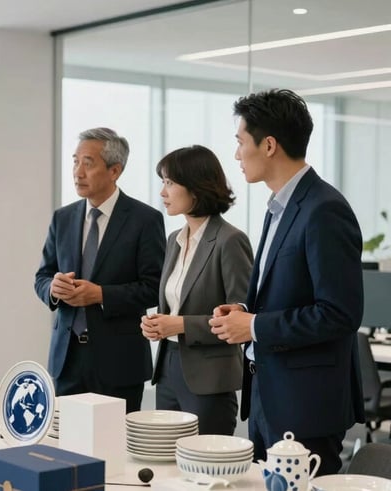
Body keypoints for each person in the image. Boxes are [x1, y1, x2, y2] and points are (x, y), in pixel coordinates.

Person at [209, 89, 364, 475]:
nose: (236, 154)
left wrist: (256, 326)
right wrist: (245, 313)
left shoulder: (324, 209)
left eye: (241, 142)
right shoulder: (279, 207)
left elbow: (340, 314)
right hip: (269, 395)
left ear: (270, 145)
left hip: (306, 406)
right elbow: (289, 292)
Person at [34, 127, 165, 413]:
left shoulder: (145, 220)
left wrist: (101, 295)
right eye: (75, 161)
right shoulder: (63, 217)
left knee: (117, 451)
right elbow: (42, 276)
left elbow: (154, 288)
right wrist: (52, 290)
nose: (77, 172)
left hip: (119, 363)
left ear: (114, 170)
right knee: (66, 448)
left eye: (88, 163)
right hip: (67, 360)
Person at [140, 145, 253, 435]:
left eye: (169, 183)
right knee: (164, 463)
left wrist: (178, 325)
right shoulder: (173, 239)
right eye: (162, 183)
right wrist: (157, 324)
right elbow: (174, 304)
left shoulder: (230, 241)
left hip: (209, 378)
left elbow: (241, 320)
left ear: (196, 187)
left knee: (202, 468)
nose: (163, 192)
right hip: (167, 370)